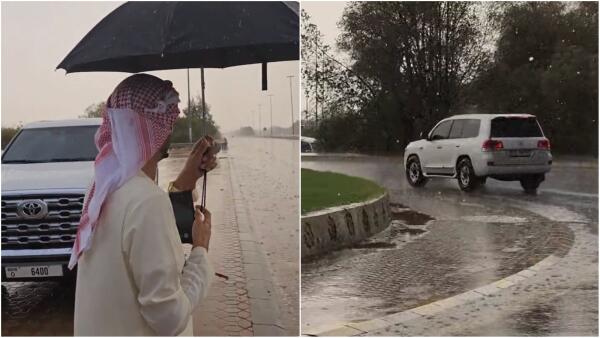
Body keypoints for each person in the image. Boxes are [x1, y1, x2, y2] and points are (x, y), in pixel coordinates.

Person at [70, 74, 217, 335]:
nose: (172, 125)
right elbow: (169, 318)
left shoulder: (101, 187)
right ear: (156, 128)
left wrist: (185, 182)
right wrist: (200, 252)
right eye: (169, 118)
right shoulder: (147, 201)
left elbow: (134, 226)